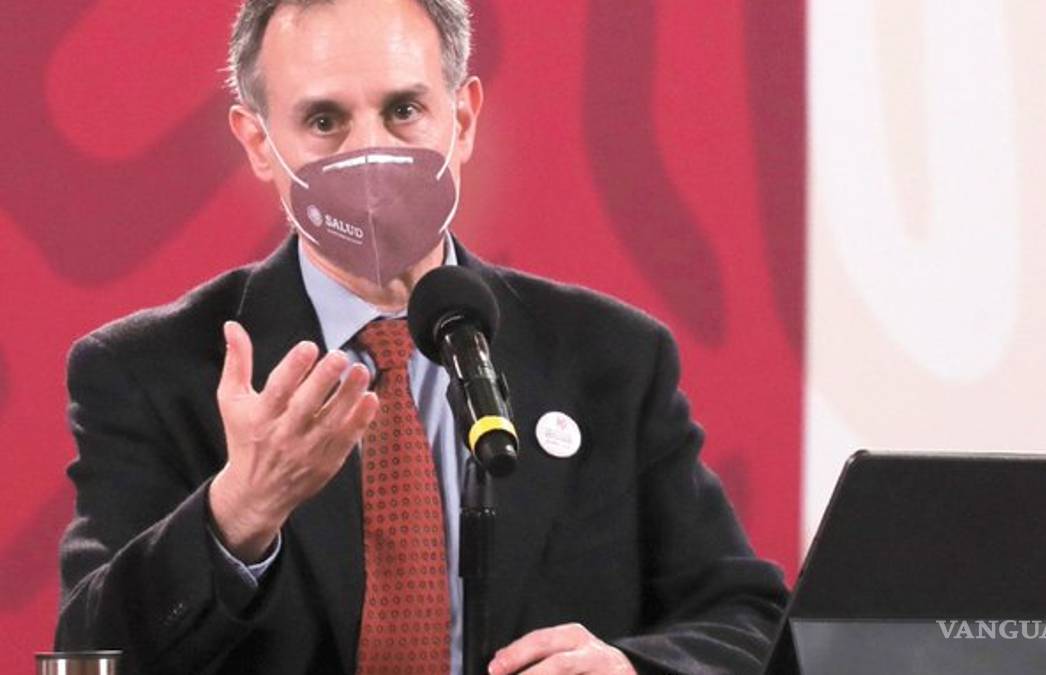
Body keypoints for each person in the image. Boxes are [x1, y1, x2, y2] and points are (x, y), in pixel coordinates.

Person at [54, 1, 788, 673]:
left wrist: (630, 669)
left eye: (403, 110)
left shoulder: (611, 358)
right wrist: (237, 514)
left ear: (462, 120)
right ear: (257, 142)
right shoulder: (148, 371)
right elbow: (91, 653)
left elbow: (750, 622)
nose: (371, 153)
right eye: (324, 121)